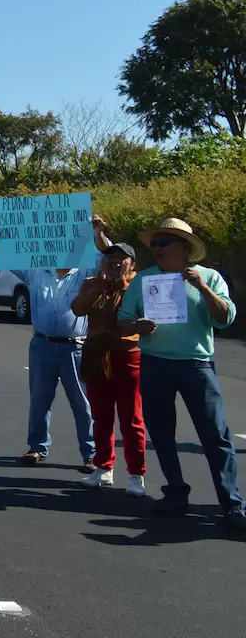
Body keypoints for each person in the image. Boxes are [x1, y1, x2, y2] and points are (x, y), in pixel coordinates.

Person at [117, 218, 245, 529]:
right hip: (155, 363)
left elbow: (226, 318)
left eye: (164, 243)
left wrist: (201, 287)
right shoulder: (144, 280)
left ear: (185, 248)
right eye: (155, 244)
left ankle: (232, 503)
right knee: (161, 434)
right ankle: (176, 493)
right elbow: (122, 319)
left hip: (196, 365)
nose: (157, 249)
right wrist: (137, 326)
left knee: (216, 436)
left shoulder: (210, 277)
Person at [15, 216, 111, 468]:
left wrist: (98, 233)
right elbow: (9, 256)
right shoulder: (36, 269)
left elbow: (107, 258)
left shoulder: (87, 269)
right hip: (42, 344)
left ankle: (91, 452)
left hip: (76, 347)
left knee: (83, 402)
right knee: (39, 399)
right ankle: (36, 447)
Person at [71, 242, 146, 496]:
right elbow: (78, 308)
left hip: (127, 356)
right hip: (96, 355)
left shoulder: (139, 285)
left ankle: (136, 474)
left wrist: (122, 283)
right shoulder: (94, 282)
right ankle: (104, 467)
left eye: (122, 258)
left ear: (132, 264)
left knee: (131, 418)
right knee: (101, 415)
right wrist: (101, 287)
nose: (115, 262)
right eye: (110, 257)